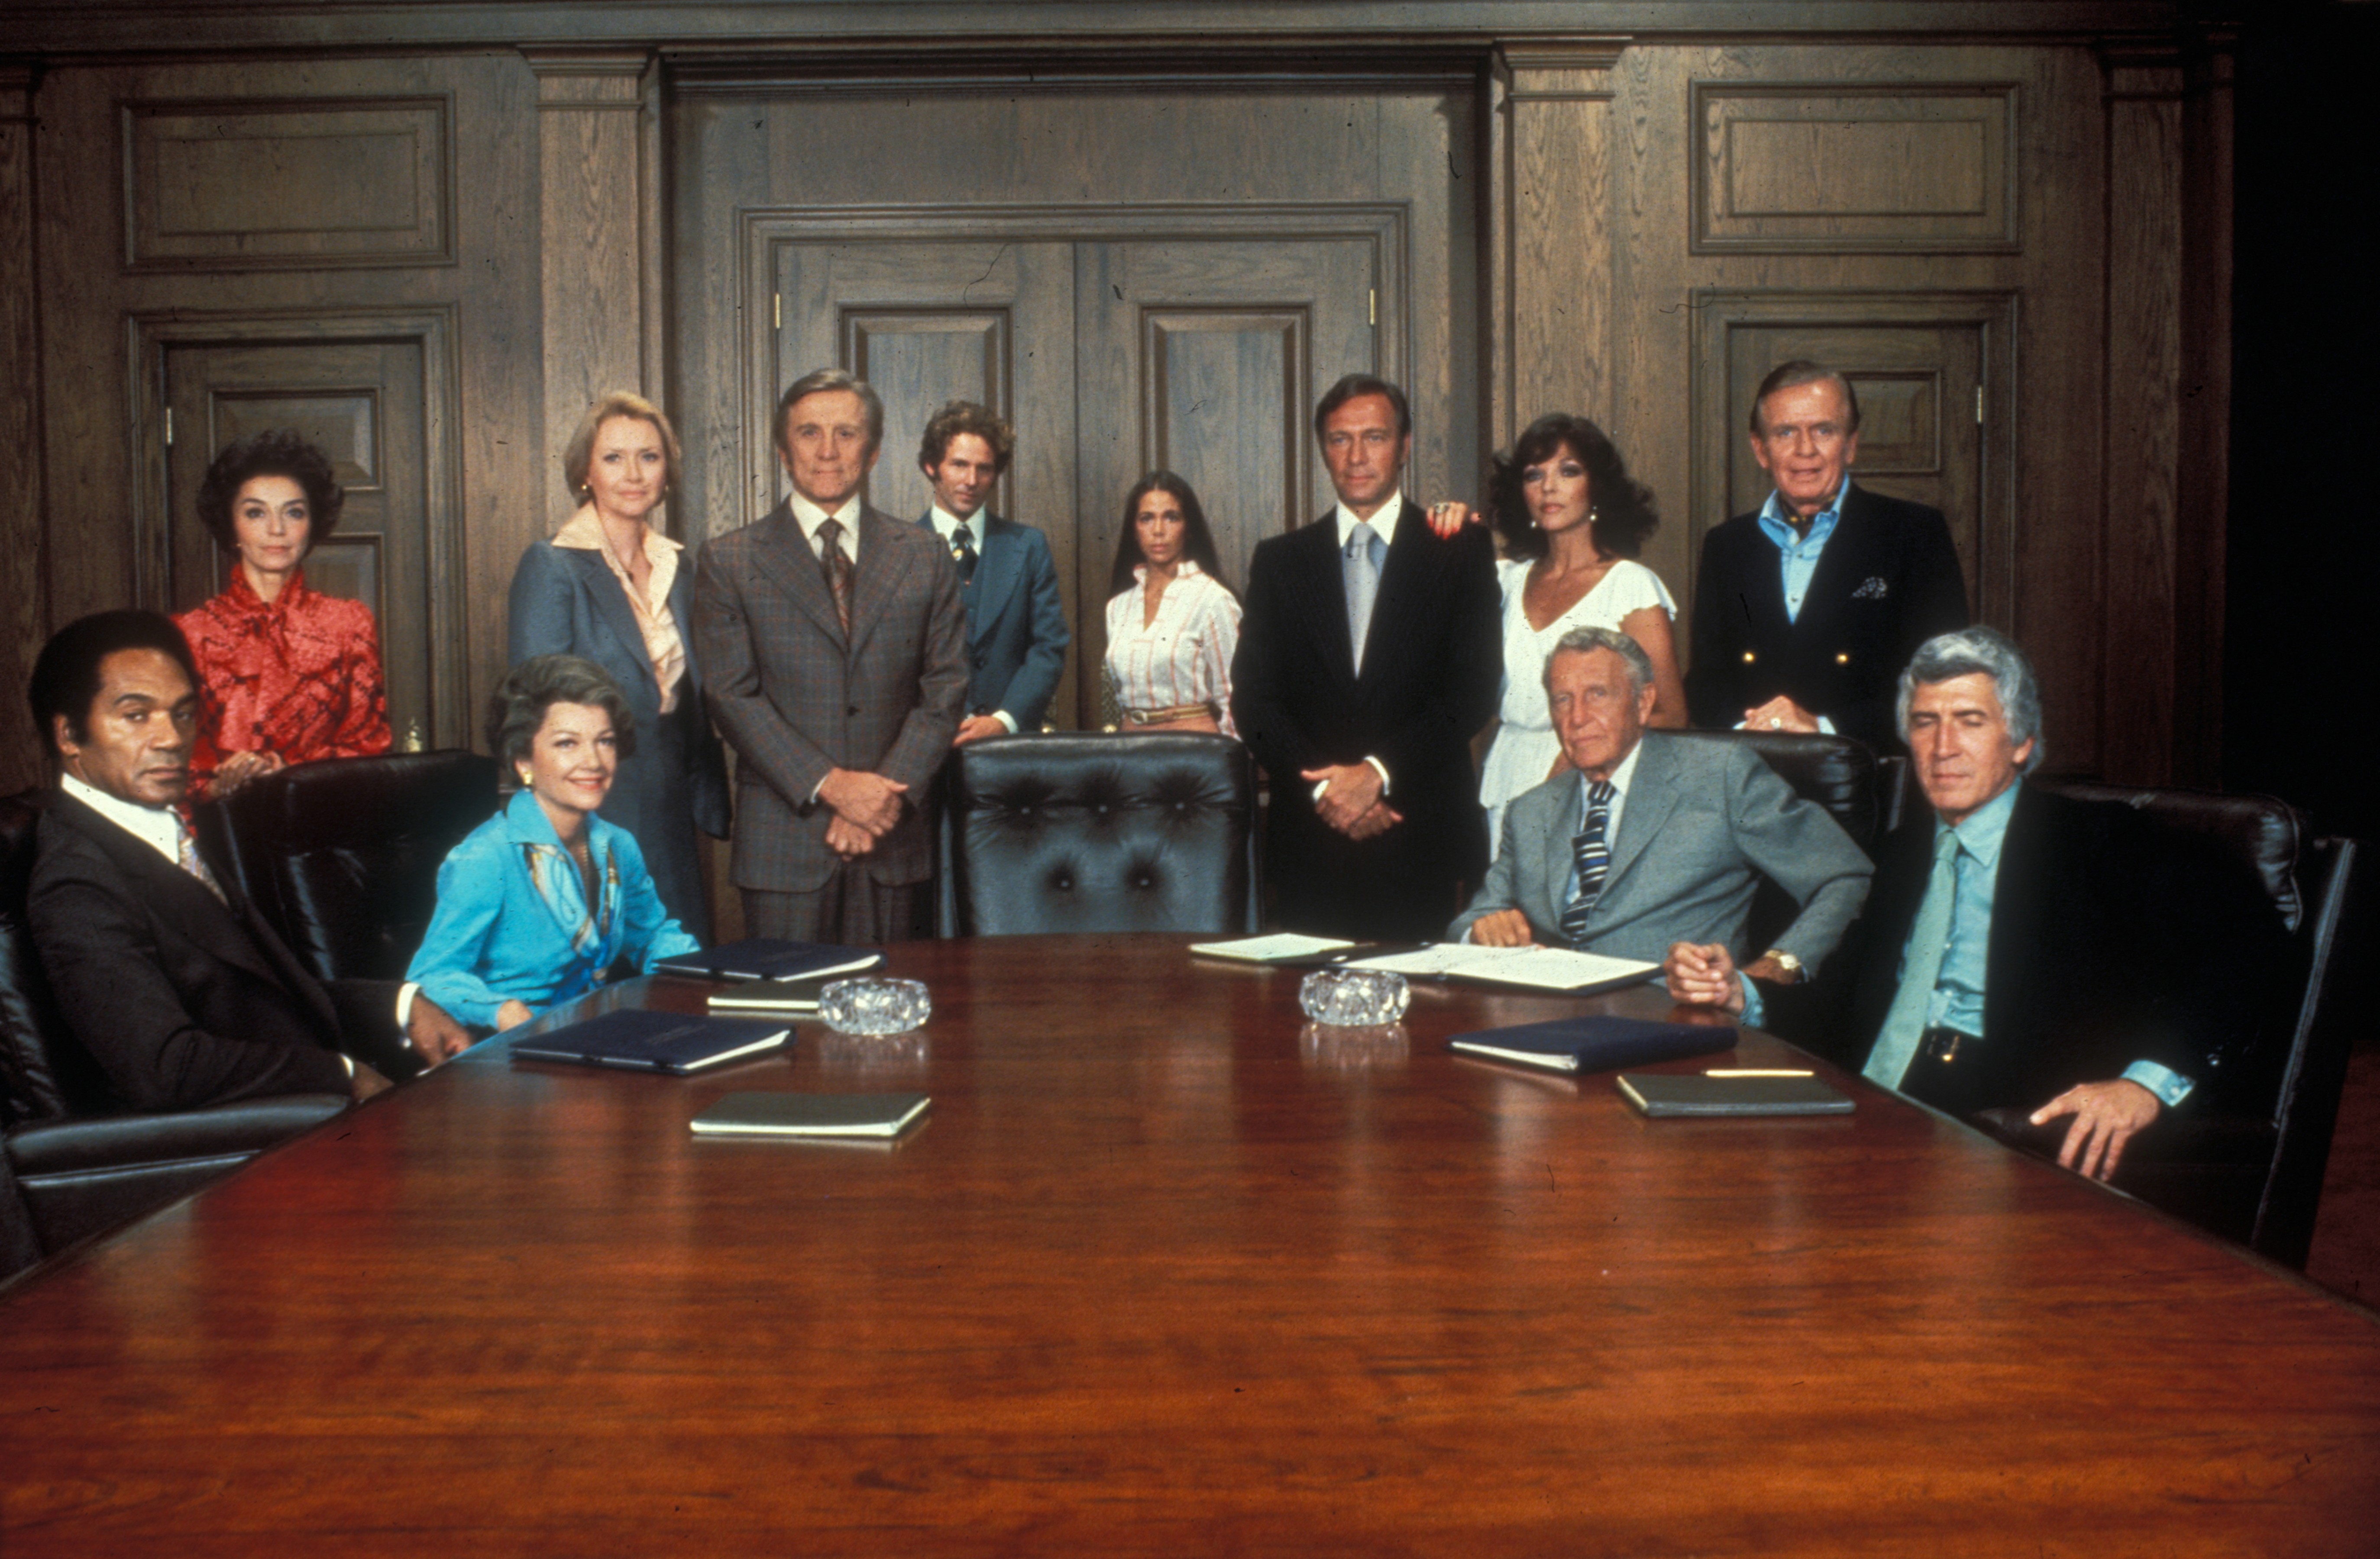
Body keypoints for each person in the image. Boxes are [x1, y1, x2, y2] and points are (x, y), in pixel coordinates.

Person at [1665, 627, 2284, 1181]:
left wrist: (2145, 1083)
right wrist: (1740, 995)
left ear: (2021, 741)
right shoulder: (1907, 850)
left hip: (2005, 1124)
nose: (1943, 747)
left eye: (1970, 720)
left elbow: (2253, 951)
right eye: (1926, 722)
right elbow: (1844, 1002)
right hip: (1867, 1104)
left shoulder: (2102, 842)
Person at [23, 611, 469, 1113]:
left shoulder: (163, 835)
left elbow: (268, 1002)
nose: (171, 738)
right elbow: (168, 1070)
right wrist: (343, 1076)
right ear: (68, 736)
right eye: (136, 716)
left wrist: (401, 1006)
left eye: (183, 713)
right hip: (227, 1161)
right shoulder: (77, 882)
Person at [693, 368, 968, 944]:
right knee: (789, 1020)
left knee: (895, 1025)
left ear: (871, 453)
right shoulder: (731, 560)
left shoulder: (924, 555)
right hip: (786, 844)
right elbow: (730, 696)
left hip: (893, 838)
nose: (827, 451)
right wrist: (834, 786)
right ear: (782, 450)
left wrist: (881, 795)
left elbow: (945, 687)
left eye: (846, 434)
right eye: (808, 433)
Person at [1231, 373, 1500, 940]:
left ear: (1404, 447)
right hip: (1311, 841)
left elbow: (1472, 689)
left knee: (1425, 1017)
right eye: (1339, 439)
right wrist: (1331, 790)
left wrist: (1378, 774)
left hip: (1418, 833)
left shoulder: (1458, 549)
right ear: (1323, 450)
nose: (1356, 456)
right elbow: (1255, 702)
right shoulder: (1281, 562)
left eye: (1374, 437)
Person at [1449, 627, 1870, 971]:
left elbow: (1844, 876)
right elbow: (1470, 920)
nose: (1577, 719)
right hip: (1543, 1016)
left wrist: (1778, 968)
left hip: (1671, 1018)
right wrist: (1481, 930)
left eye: (1597, 694)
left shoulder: (1721, 776)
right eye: (1563, 700)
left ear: (1644, 701)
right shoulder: (1531, 810)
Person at [508, 392, 731, 941]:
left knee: (677, 976)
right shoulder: (552, 564)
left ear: (668, 471)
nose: (633, 474)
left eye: (649, 457)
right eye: (613, 458)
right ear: (586, 471)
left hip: (671, 806)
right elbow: (537, 712)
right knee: (603, 986)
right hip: (591, 806)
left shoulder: (679, 567)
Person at [406, 656, 699, 1031]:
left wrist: (709, 977)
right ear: (523, 760)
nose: (593, 761)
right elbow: (432, 976)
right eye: (567, 744)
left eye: (605, 741)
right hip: (511, 1053)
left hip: (598, 1033)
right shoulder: (486, 857)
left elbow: (654, 935)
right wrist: (502, 1010)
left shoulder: (618, 845)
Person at [1685, 360, 1969, 747]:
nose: (1806, 451)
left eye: (1823, 430)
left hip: (1866, 776)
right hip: (1750, 777)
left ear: (1850, 444)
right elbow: (1705, 682)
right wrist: (1748, 731)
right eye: (1786, 433)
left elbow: (1943, 680)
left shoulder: (1914, 532)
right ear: (1761, 450)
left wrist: (1824, 728)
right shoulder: (1726, 545)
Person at [1477, 413, 1685, 854]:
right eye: (1535, 475)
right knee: (1506, 919)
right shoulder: (1505, 581)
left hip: (1595, 780)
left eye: (1568, 471)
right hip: (1507, 779)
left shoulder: (1630, 585)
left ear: (1596, 489)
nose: (1549, 487)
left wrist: (1577, 759)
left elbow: (1670, 714)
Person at [174, 429, 392, 798]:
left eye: (293, 512)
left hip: (319, 822)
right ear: (232, 526)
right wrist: (217, 785)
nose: (277, 530)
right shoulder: (188, 633)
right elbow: (174, 758)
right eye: (256, 513)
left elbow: (369, 748)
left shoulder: (348, 623)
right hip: (216, 830)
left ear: (312, 525)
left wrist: (289, 773)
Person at [913, 400, 1070, 744]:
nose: (972, 480)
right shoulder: (899, 551)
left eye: (984, 468)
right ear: (931, 466)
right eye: (959, 465)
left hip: (1009, 748)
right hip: (925, 746)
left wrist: (1004, 720)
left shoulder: (1028, 546)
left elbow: (1049, 646)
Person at [1103, 472, 1241, 736]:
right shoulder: (1119, 606)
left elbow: (1235, 697)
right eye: (1147, 519)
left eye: (1171, 517)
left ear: (1189, 528)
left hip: (1192, 749)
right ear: (1134, 529)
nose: (1158, 531)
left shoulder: (1212, 600)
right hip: (1130, 747)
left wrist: (1229, 765)